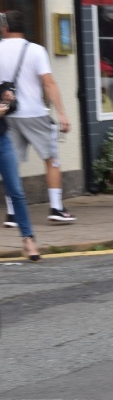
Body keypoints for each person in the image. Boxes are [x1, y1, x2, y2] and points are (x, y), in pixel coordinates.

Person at [0, 9, 74, 225]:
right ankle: (56, 208)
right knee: (51, 159)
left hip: (7, 113)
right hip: (35, 113)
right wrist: (61, 113)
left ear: (5, 27)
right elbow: (48, 83)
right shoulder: (36, 50)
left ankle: (12, 214)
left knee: (10, 163)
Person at [0, 73, 40, 260]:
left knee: (16, 190)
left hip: (3, 141)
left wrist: (8, 101)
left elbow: (13, 107)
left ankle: (28, 239)